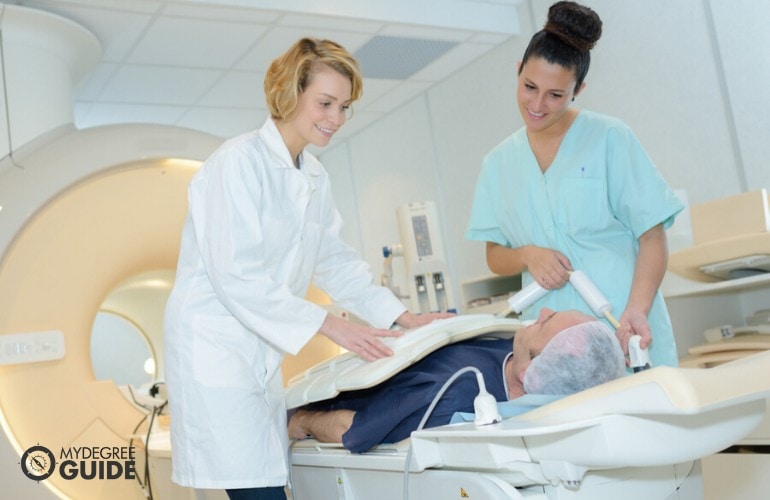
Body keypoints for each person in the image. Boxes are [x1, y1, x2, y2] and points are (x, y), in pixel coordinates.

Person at [163, 38, 451, 500]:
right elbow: (237, 276)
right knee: (256, 489)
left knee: (266, 482)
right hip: (216, 352)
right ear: (289, 93)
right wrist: (330, 326)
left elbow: (334, 260)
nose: (335, 119)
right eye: (325, 103)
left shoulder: (314, 176)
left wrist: (401, 317)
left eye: (344, 106)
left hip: (258, 358)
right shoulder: (236, 164)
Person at [465, 1, 684, 368]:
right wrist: (528, 255)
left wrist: (637, 309)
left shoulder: (610, 138)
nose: (537, 104)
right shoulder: (497, 164)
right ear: (517, 71)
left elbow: (652, 236)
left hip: (622, 334)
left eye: (555, 95)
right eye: (529, 86)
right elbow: (494, 254)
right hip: (547, 349)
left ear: (578, 89)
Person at [288, 309, 626, 453]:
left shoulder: (453, 398)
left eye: (545, 322)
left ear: (530, 373)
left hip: (310, 406)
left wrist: (301, 419)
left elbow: (351, 431)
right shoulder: (505, 343)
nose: (538, 313)